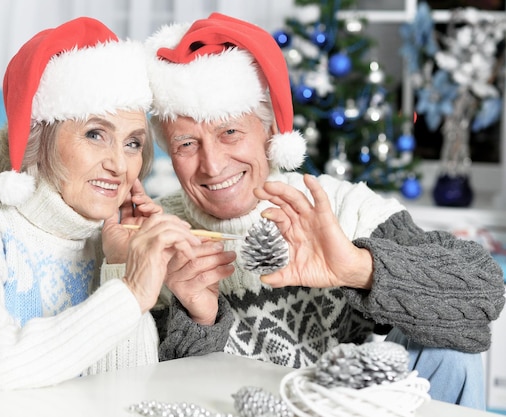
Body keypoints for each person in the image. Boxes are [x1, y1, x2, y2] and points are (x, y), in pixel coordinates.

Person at [145, 13, 505, 409]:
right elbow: (153, 395)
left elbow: (484, 294)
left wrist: (357, 267)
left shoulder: (347, 209)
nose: (211, 165)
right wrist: (198, 319)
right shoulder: (157, 236)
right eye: (186, 144)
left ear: (269, 131)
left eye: (230, 132)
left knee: (452, 343)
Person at [0, 17, 232, 417]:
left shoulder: (106, 236)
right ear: (37, 137)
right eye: (95, 134)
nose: (119, 164)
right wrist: (131, 292)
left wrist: (118, 267)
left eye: (133, 143)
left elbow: (120, 394)